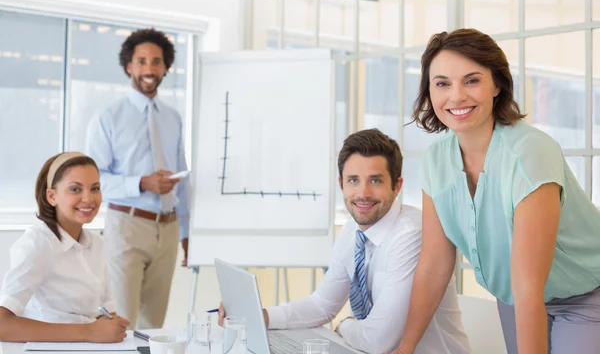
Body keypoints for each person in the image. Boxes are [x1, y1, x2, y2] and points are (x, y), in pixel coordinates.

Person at [393, 28, 600, 354]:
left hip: (585, 294)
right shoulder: (436, 160)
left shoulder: (530, 152)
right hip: (515, 297)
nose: (456, 96)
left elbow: (529, 284)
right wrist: (405, 348)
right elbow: (434, 266)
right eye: (442, 83)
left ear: (497, 85)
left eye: (472, 80)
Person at [219, 129, 471, 354]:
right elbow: (322, 305)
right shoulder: (353, 233)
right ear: (341, 184)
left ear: (397, 186)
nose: (363, 193)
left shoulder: (412, 233)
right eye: (353, 180)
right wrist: (262, 316)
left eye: (375, 180)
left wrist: (345, 325)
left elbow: (377, 341)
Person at [86, 28, 191, 329]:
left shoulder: (173, 117)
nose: (149, 68)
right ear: (129, 66)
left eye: (156, 61)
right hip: (127, 227)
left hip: (168, 230)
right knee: (121, 324)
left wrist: (186, 232)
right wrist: (141, 183)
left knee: (152, 328)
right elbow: (95, 182)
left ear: (165, 68)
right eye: (142, 61)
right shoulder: (108, 117)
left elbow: (182, 178)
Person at [0, 152, 129, 342]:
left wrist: (110, 324)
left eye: (95, 188)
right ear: (52, 196)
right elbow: (3, 326)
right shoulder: (38, 243)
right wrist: (90, 332)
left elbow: (105, 312)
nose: (89, 198)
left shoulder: (97, 245)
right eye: (75, 189)